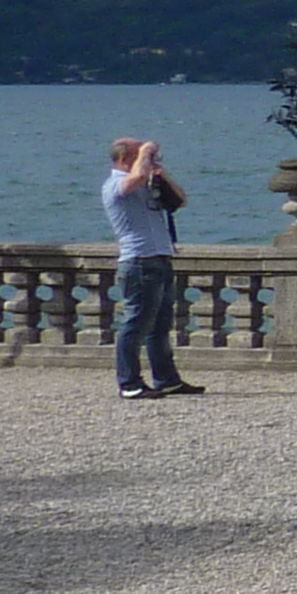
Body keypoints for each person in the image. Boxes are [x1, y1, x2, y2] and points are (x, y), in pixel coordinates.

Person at [101, 137, 202, 401]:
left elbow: (181, 200)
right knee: (135, 325)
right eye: (142, 156)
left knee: (160, 327)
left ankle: (167, 379)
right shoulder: (114, 186)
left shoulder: (146, 185)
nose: (150, 160)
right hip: (138, 262)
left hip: (161, 259)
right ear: (125, 159)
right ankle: (129, 382)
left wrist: (163, 175)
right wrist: (145, 152)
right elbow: (134, 179)